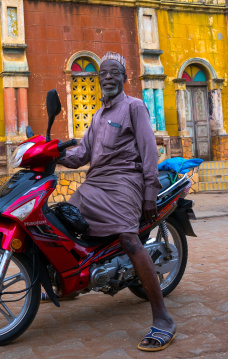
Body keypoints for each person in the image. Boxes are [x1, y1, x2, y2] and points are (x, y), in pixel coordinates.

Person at [58, 52, 175, 351]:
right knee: (62, 222)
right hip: (95, 183)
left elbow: (149, 151)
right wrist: (52, 153)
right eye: (103, 73)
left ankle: (162, 318)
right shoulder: (97, 116)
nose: (107, 77)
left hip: (126, 182)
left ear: (124, 78)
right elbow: (81, 155)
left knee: (128, 238)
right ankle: (71, 285)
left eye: (114, 72)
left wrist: (150, 190)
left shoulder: (134, 107)